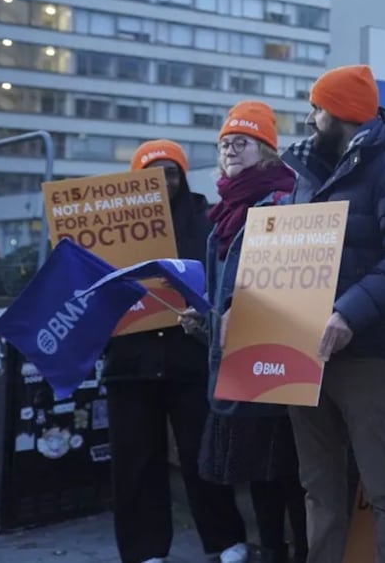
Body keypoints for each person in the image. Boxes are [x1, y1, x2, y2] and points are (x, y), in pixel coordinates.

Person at [279, 64, 385, 563]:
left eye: (317, 108)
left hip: (366, 355)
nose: (310, 119)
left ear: (342, 113)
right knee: (318, 490)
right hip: (305, 356)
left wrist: (348, 314)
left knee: (384, 489)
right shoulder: (307, 178)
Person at [105, 139, 248, 563]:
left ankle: (224, 540)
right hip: (129, 362)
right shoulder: (112, 226)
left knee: (203, 455)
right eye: (152, 173)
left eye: (171, 172)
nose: (163, 182)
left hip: (189, 357)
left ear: (183, 176)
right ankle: (144, 550)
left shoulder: (207, 219)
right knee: (134, 463)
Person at [180, 102, 308, 563]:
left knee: (287, 471)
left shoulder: (282, 200)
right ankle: (272, 551)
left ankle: (296, 552)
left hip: (275, 356)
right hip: (239, 358)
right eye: (225, 144)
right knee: (260, 471)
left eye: (242, 142)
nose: (231, 151)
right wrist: (205, 322)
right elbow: (225, 296)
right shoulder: (225, 212)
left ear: (267, 150)